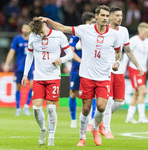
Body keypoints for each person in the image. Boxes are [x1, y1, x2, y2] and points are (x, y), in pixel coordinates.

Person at [39, 5, 143, 146]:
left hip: (104, 77)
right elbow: (63, 28)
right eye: (103, 15)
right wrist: (48, 20)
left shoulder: (115, 35)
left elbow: (118, 53)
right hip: (87, 76)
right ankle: (82, 137)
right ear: (96, 16)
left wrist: (117, 63)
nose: (105, 18)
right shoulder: (85, 30)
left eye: (107, 16)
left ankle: (95, 128)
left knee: (101, 107)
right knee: (86, 109)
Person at [21, 17, 73, 146]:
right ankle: (43, 129)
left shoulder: (59, 35)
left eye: (42, 32)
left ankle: (51, 136)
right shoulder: (33, 36)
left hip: (53, 77)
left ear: (45, 24)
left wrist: (61, 60)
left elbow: (70, 54)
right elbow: (29, 55)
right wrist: (25, 74)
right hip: (38, 77)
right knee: (36, 109)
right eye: (39, 34)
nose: (42, 35)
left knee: (50, 108)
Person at [103, 6, 143, 139]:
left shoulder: (124, 31)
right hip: (105, 70)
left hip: (118, 71)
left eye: (121, 15)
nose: (120, 18)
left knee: (119, 102)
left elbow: (127, 50)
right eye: (117, 15)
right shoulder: (104, 31)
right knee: (108, 100)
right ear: (110, 17)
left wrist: (137, 65)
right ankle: (107, 129)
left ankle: (96, 121)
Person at [123, 22, 148, 124]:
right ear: (140, 31)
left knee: (136, 94)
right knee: (143, 91)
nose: (147, 34)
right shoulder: (134, 40)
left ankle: (129, 117)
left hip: (143, 70)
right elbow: (126, 54)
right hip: (134, 69)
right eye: (145, 32)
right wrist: (122, 70)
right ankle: (142, 117)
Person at [68, 12, 97, 128]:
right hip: (77, 69)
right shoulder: (78, 33)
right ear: (87, 23)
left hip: (91, 70)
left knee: (92, 95)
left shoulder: (97, 35)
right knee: (73, 94)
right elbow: (71, 51)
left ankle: (92, 120)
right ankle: (73, 119)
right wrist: (82, 62)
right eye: (93, 22)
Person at [4, 23, 33, 116]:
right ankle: (18, 108)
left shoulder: (33, 39)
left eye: (26, 27)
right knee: (18, 87)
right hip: (19, 67)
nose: (24, 29)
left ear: (30, 29)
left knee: (33, 86)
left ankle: (26, 106)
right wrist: (7, 63)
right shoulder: (17, 39)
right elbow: (12, 52)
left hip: (31, 67)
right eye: (23, 27)